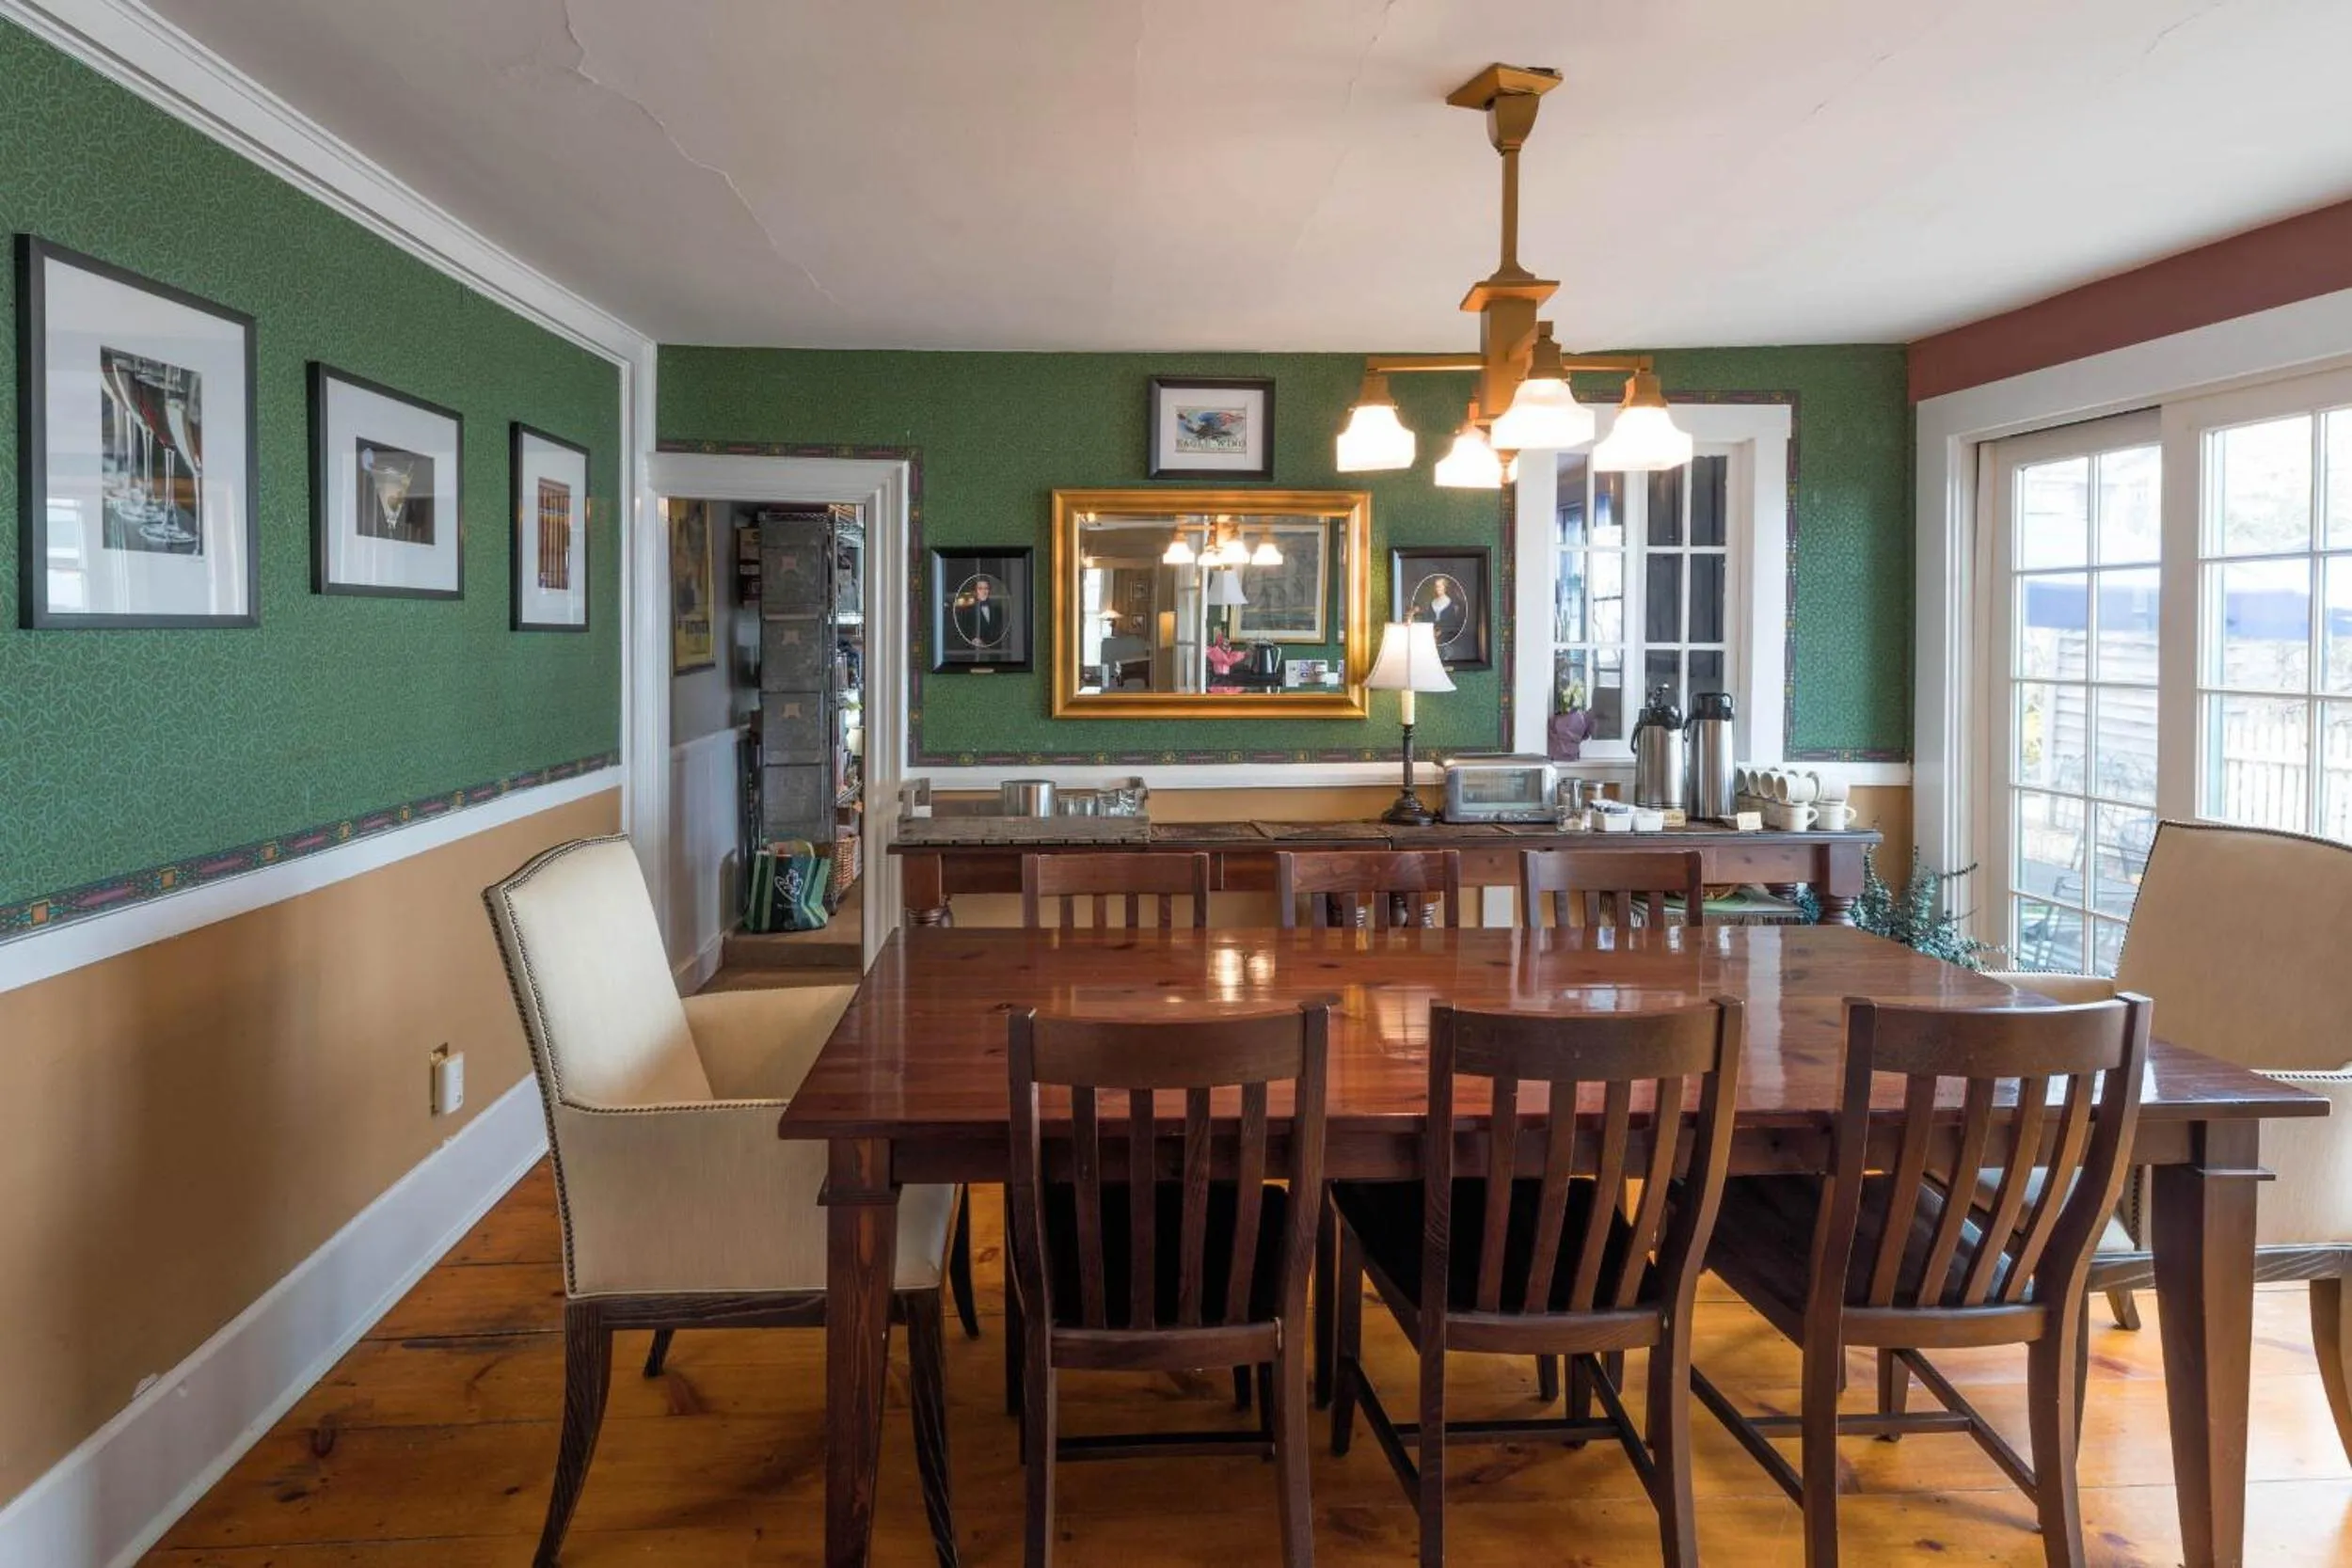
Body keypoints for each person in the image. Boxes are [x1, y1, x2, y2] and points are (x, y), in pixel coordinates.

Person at [952, 575, 1007, 649]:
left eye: (986, 588)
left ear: (989, 590)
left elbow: (1001, 631)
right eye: (980, 588)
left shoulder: (998, 610)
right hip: (973, 651)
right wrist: (972, 640)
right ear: (975, 591)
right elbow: (962, 631)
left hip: (996, 650)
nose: (984, 591)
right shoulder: (967, 611)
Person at [1419, 574, 1467, 649]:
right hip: (1431, 638)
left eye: (1439, 586)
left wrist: (1441, 631)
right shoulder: (1432, 603)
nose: (1437, 588)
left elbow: (1453, 624)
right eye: (1436, 586)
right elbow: (1427, 620)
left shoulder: (1452, 604)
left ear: (1445, 587)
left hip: (1447, 639)